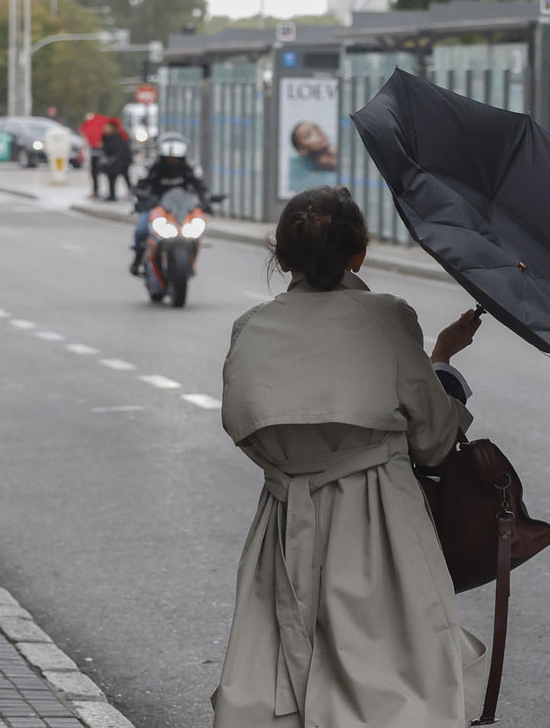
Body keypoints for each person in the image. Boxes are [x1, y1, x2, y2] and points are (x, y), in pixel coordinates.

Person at [213, 185, 489, 726]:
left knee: (277, 672)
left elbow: (245, 426)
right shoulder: (388, 318)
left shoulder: (250, 328)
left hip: (287, 519)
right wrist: (443, 362)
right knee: (391, 679)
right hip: (378, 520)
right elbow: (433, 437)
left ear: (281, 255)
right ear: (359, 253)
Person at [128, 133, 210, 275]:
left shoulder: (190, 168)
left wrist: (205, 201)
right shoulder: (150, 167)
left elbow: (201, 187)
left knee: (197, 229)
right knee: (141, 230)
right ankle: (138, 259)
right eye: (169, 157)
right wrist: (144, 198)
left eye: (176, 157)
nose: (173, 160)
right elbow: (139, 187)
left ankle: (189, 260)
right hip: (156, 207)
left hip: (182, 208)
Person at [100, 120, 132, 202]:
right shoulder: (106, 137)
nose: (105, 129)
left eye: (107, 127)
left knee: (124, 177)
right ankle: (112, 195)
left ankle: (132, 193)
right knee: (112, 179)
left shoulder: (117, 137)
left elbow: (116, 150)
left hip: (119, 162)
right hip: (114, 162)